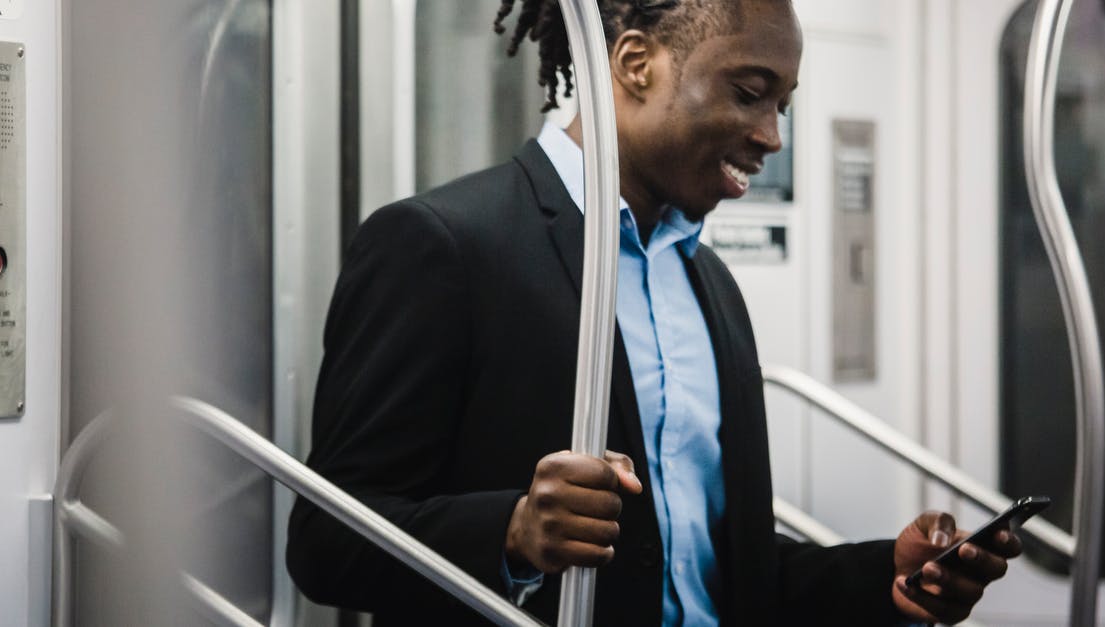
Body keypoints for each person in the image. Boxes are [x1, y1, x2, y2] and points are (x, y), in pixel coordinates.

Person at [287, 0, 1022, 624]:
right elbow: (326, 540)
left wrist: (886, 577)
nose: (771, 135)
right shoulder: (443, 245)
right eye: (748, 91)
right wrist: (512, 533)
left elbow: (712, 569)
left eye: (782, 104)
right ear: (636, 63)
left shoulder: (710, 285)